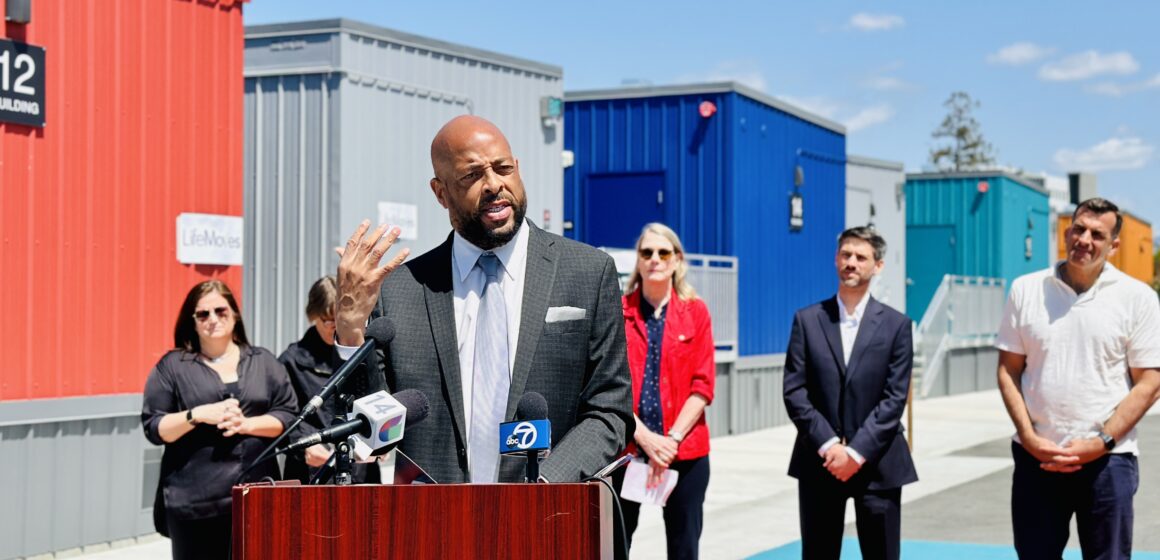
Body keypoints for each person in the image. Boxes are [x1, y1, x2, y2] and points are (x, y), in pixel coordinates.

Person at [333, 115, 634, 484]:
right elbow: (368, 433)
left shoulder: (587, 272)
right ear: (440, 193)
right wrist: (350, 327)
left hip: (549, 511)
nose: (494, 184)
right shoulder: (402, 290)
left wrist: (544, 487)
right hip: (434, 514)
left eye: (503, 168)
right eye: (472, 175)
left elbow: (609, 410)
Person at [996, 197, 1160, 559]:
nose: (1084, 240)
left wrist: (1102, 442)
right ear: (1067, 232)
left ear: (1114, 245)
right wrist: (1028, 437)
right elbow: (1008, 369)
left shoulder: (1138, 298)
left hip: (1108, 462)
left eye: (1097, 235)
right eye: (1079, 229)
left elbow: (1150, 383)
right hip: (1036, 457)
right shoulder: (1026, 289)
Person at [783, 226, 917, 560]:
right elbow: (795, 391)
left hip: (878, 464)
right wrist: (829, 445)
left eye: (861, 257)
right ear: (836, 259)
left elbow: (894, 398)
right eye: (846, 255)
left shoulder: (897, 326)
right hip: (820, 462)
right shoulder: (808, 320)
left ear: (878, 265)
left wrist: (856, 453)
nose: (851, 262)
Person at [141, 280, 298, 560]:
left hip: (258, 498)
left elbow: (288, 416)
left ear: (234, 314)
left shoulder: (264, 362)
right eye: (203, 314)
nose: (212, 319)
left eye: (220, 311)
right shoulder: (172, 367)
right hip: (197, 506)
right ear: (193, 321)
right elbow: (155, 428)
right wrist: (197, 415)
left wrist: (247, 424)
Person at [614, 223, 715, 560]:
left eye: (663, 252)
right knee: (614, 546)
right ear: (638, 260)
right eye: (647, 253)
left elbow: (703, 385)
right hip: (628, 451)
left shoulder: (696, 312)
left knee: (684, 549)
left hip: (683, 453)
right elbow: (608, 386)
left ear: (677, 259)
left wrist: (670, 441)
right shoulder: (618, 312)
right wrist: (645, 439)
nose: (654, 259)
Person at [279, 276, 381, 483]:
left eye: (340, 319)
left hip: (360, 471)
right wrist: (303, 445)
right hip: (311, 472)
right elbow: (283, 415)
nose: (335, 326)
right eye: (328, 320)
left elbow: (378, 398)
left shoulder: (362, 354)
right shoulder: (291, 361)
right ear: (313, 315)